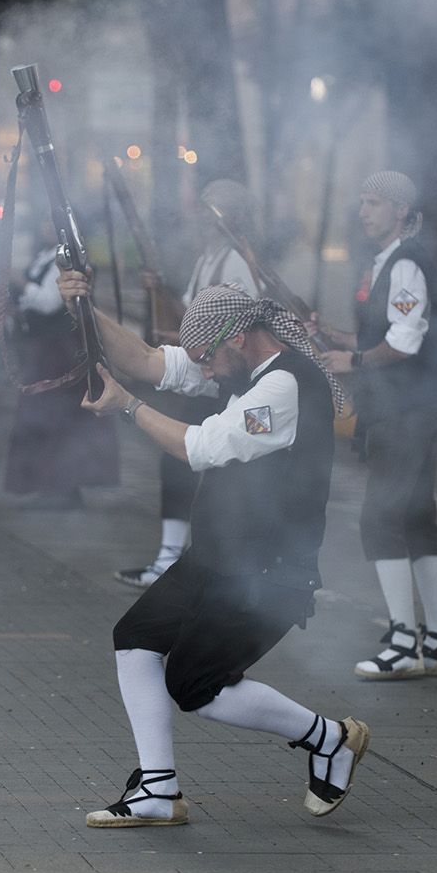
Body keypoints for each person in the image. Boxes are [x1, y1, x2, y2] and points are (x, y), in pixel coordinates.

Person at [59, 267, 368, 827]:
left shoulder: (284, 386)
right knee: (135, 638)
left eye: (206, 358)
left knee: (195, 685)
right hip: (219, 556)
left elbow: (199, 447)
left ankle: (329, 738)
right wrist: (84, 305)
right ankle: (158, 789)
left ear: (238, 338)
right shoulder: (238, 367)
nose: (201, 369)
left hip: (268, 571)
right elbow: (147, 361)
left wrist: (129, 406)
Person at [315, 171, 437, 680]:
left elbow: (404, 342)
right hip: (414, 409)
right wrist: (335, 336)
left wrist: (352, 362)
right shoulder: (388, 261)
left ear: (400, 211)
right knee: (417, 520)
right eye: (362, 201)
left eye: (373, 203)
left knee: (379, 519)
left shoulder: (406, 263)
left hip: (405, 412)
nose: (363, 211)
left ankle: (403, 645)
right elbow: (384, 332)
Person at [116, 179, 260, 589]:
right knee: (179, 462)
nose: (199, 218)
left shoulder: (236, 262)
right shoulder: (209, 258)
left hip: (222, 380)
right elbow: (192, 318)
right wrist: (159, 289)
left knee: (203, 466)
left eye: (210, 211)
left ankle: (202, 565)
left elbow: (236, 325)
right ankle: (171, 559)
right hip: (207, 376)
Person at [2, 245, 120, 509]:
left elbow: (48, 302)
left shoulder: (72, 257)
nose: (45, 226)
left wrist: (19, 282)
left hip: (62, 351)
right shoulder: (46, 255)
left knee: (59, 419)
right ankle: (50, 486)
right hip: (47, 350)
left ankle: (63, 489)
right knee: (42, 416)